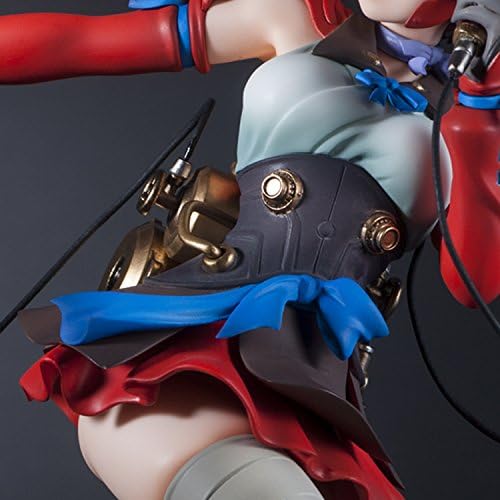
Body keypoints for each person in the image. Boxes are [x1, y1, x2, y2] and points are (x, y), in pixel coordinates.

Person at [0, 1, 497, 499]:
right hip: (200, 337)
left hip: (315, 377)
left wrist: (480, 106)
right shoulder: (295, 16)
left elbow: (471, 279)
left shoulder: (471, 110)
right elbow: (80, 43)